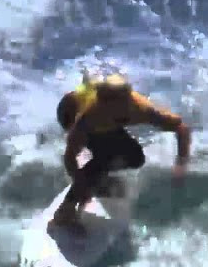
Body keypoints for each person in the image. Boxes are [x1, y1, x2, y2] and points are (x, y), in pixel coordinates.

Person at [50, 70, 193, 234]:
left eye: (111, 105)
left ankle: (99, 179)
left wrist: (181, 164)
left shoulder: (141, 108)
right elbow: (69, 157)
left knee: (135, 157)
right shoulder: (90, 115)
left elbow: (181, 128)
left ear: (125, 102)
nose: (104, 106)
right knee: (104, 158)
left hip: (106, 126)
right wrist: (81, 186)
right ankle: (64, 214)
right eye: (103, 103)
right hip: (69, 111)